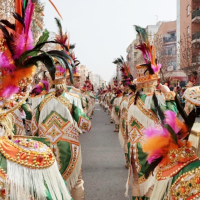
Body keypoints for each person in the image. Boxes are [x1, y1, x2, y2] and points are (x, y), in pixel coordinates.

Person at [0, 1, 73, 199]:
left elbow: (33, 119)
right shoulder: (71, 99)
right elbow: (83, 123)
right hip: (55, 143)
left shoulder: (39, 100)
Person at [125, 25, 177, 200]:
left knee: (138, 181)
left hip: (134, 147)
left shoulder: (132, 100)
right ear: (156, 80)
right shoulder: (159, 99)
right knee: (152, 183)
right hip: (152, 147)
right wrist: (168, 93)